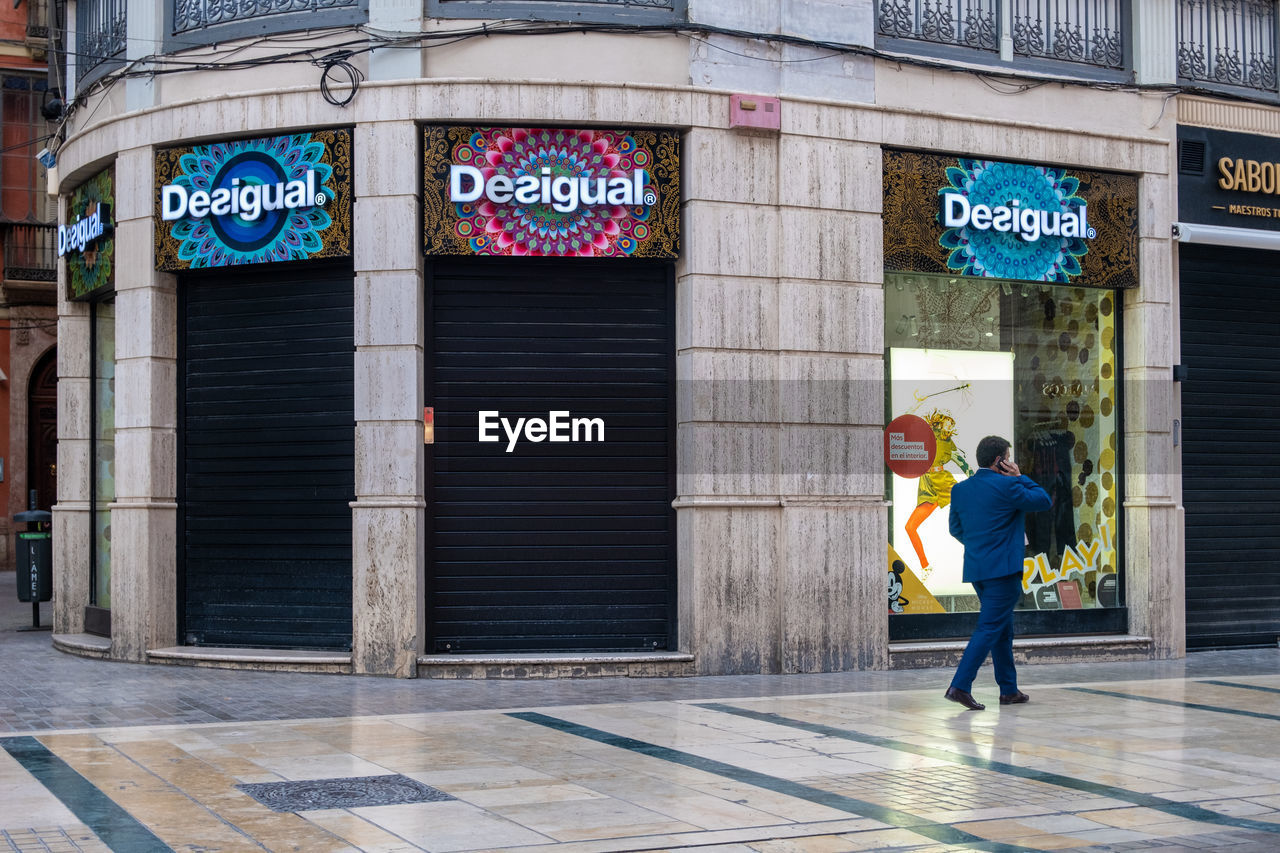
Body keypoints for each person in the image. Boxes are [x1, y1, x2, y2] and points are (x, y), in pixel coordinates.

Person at [943, 435, 1051, 711]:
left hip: (978, 569)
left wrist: (981, 546)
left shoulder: (961, 489)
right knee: (990, 628)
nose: (1011, 462)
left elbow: (955, 529)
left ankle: (1008, 690)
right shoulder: (1009, 485)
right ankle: (960, 686)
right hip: (1003, 571)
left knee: (1002, 629)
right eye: (1008, 457)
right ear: (999, 461)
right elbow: (1043, 500)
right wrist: (1020, 476)